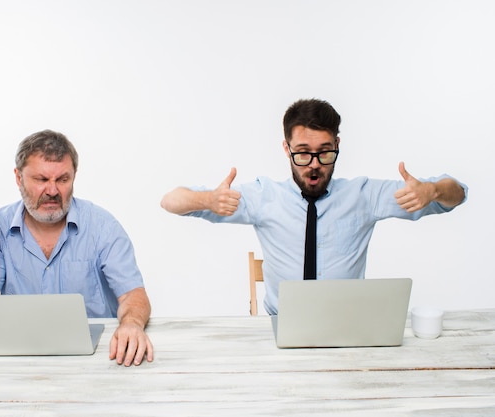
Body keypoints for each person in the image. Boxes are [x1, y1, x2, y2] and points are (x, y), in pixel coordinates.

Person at [160, 98, 467, 315]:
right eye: (303, 153)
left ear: (337, 145)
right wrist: (207, 200)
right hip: (280, 323)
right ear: (286, 148)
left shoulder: (363, 195)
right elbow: (170, 201)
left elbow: (459, 195)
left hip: (348, 325)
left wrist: (434, 190)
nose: (315, 165)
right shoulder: (264, 196)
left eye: (325, 152)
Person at [0, 129, 153, 366]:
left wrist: (131, 324)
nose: (52, 191)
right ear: (18, 178)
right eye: (41, 180)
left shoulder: (102, 227)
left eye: (63, 179)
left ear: (74, 177)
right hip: (18, 359)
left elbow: (134, 294)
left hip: (98, 359)